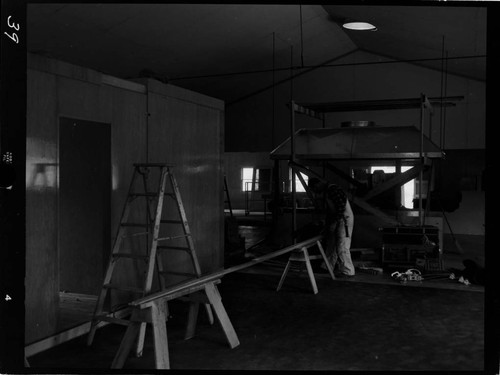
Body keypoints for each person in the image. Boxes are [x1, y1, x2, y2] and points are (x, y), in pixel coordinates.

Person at [308, 177, 355, 277]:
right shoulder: (326, 192)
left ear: (317, 185)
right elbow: (330, 212)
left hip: (344, 219)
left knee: (342, 246)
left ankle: (348, 271)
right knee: (331, 244)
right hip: (337, 218)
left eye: (315, 189)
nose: (316, 192)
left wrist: (334, 222)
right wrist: (327, 226)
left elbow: (341, 207)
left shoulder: (333, 190)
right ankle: (327, 267)